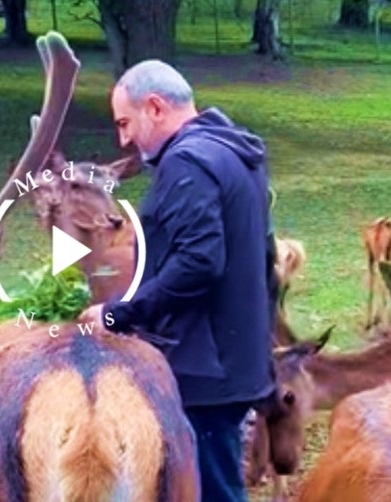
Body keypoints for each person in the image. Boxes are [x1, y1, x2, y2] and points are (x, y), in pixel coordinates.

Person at [79, 59, 276, 502]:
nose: (124, 140)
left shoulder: (188, 163)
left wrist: (118, 315)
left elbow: (198, 262)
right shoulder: (233, 153)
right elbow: (265, 257)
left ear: (154, 108)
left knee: (209, 492)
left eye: (125, 123)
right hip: (233, 360)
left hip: (203, 370)